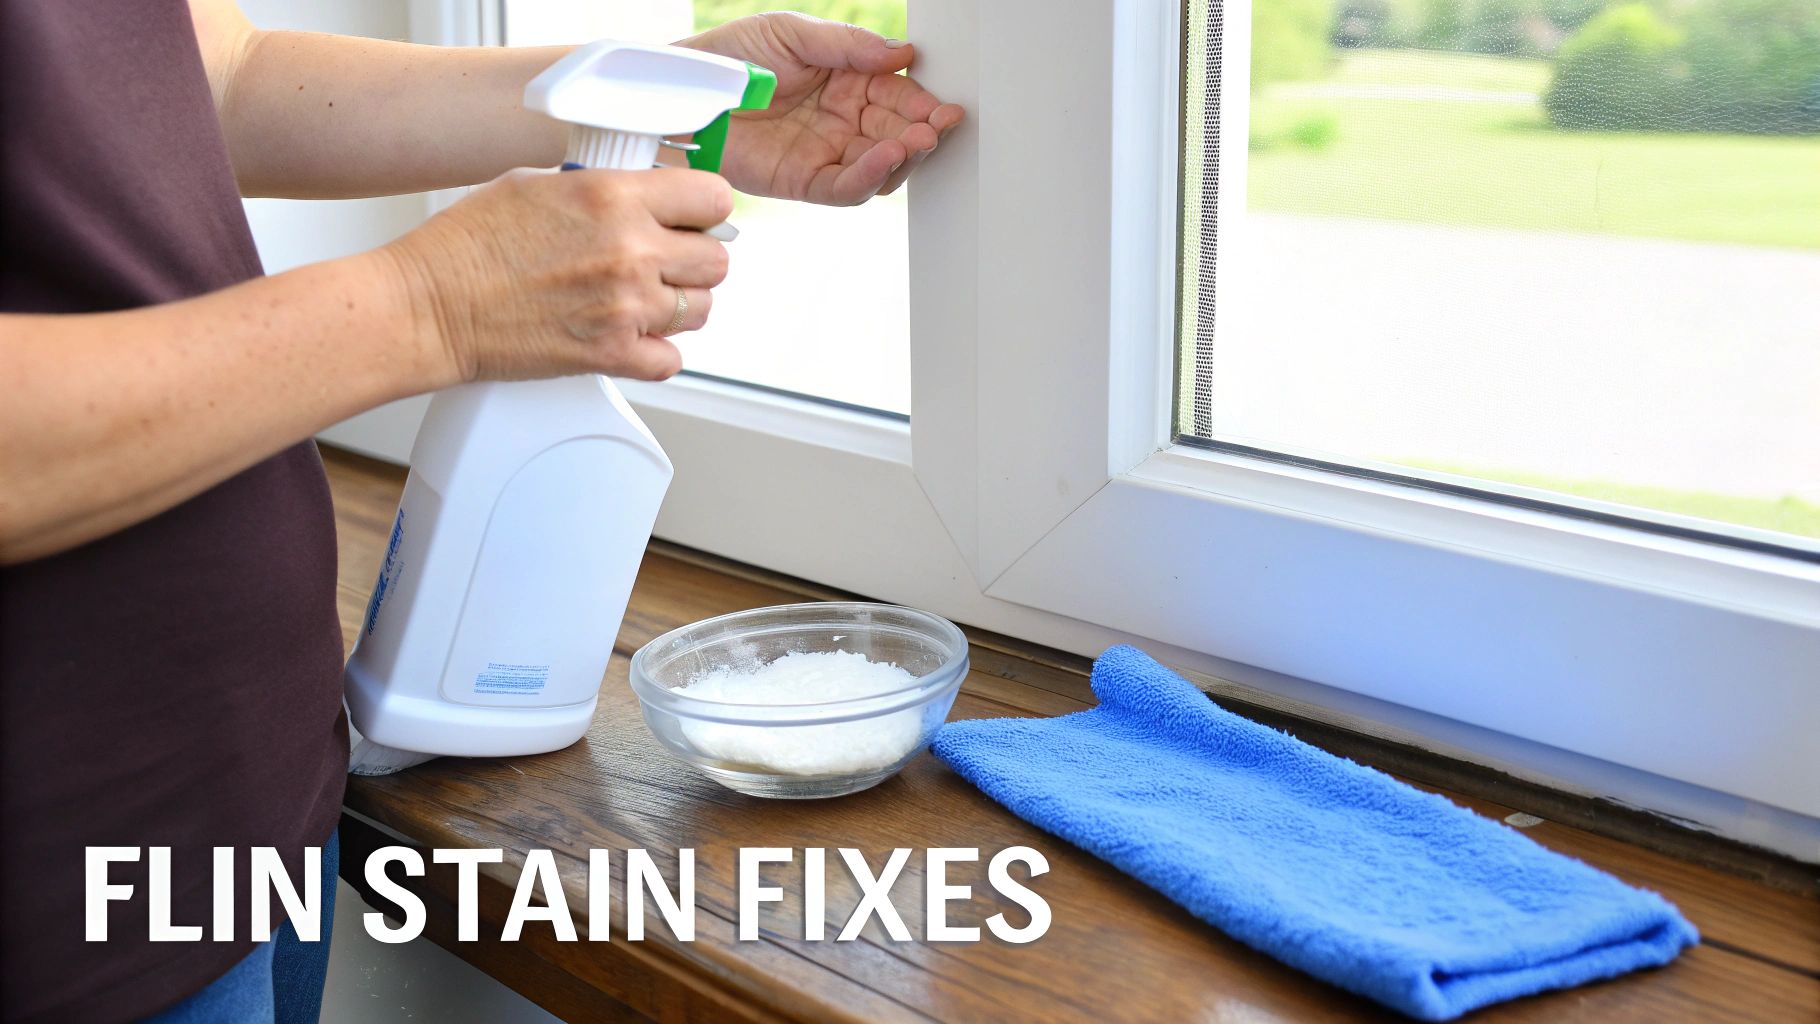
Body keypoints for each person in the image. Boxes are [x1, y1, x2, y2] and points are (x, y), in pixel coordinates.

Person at [0, 1, 963, 1020]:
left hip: (244, 800)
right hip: (55, 886)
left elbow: (212, 75)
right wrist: (435, 303)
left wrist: (650, 97)